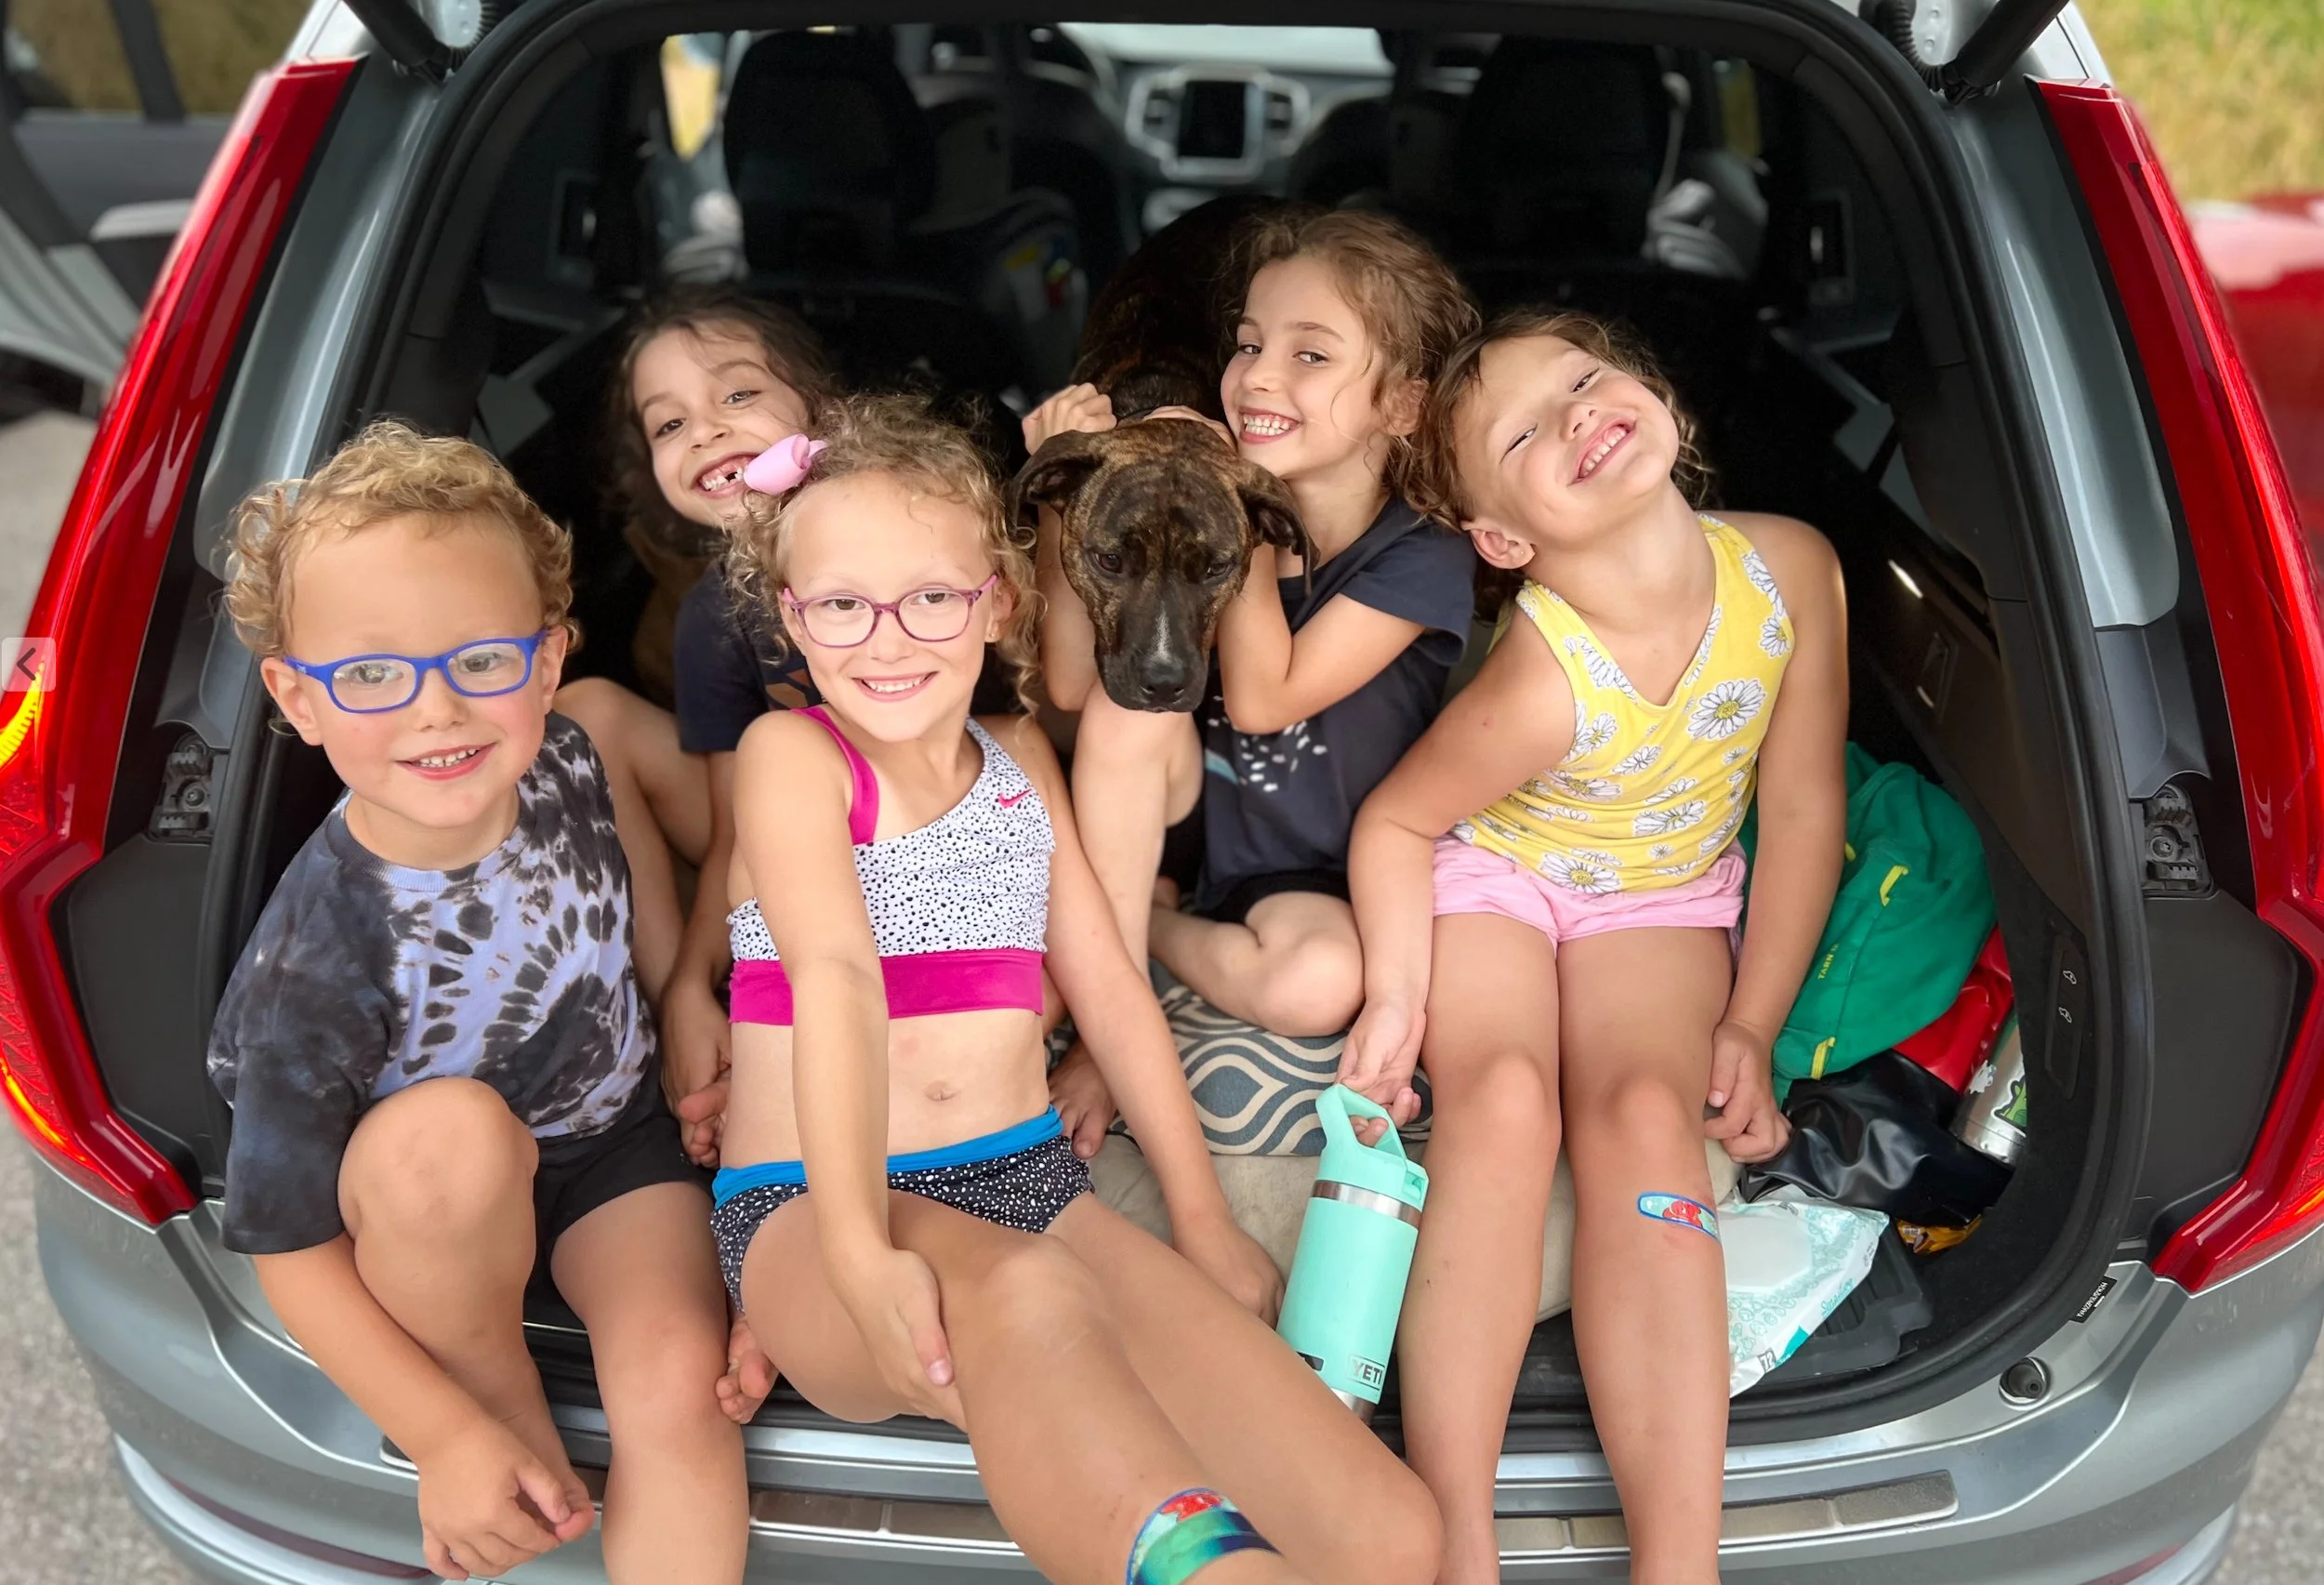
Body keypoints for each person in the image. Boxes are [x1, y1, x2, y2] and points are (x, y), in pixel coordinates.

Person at [711, 393, 1440, 1585]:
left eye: (931, 596)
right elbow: (838, 981)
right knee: (1039, 1301)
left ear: (1000, 596)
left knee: (1389, 1536)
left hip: (1033, 1187)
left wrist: (1202, 1221)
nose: (886, 639)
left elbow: (1109, 990)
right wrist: (855, 1254)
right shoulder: (793, 757)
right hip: (814, 1208)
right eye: (841, 605)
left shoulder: (1019, 764)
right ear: (792, 617)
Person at [1340, 311, 1848, 1585]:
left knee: (1643, 1119)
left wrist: (1753, 1024)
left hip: (1662, 896)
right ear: (1507, 542)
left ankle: (1681, 1563)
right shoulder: (1540, 683)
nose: (1576, 412)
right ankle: (1453, 1533)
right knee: (1504, 1107)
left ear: (1653, 393)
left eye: (1583, 377)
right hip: (1498, 879)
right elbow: (1399, 818)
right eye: (1524, 430)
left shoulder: (1791, 571)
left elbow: (1797, 808)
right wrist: (1398, 999)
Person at [207, 422, 746, 1584]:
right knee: (445, 1138)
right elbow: (289, 1253)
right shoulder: (315, 958)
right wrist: (443, 1431)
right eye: (371, 674)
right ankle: (499, 1424)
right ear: (298, 699)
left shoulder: (574, 750)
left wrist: (695, 999)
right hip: (430, 1224)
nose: (437, 709)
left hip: (613, 1151)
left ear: (543, 663)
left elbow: (690, 866)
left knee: (681, 1394)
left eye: (481, 660)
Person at [1027, 206, 1478, 1148]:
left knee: (1319, 985)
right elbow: (1069, 684)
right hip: (1201, 827)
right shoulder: (1198, 499)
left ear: (1400, 406)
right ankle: (1112, 1027)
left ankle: (1130, 939)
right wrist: (1060, 490)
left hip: (1316, 867)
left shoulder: (1419, 557)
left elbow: (1268, 696)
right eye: (1246, 345)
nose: (1258, 377)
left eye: (1310, 356)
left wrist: (1234, 501)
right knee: (1122, 716)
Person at [554, 286, 838, 1171]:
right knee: (589, 710)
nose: (707, 431)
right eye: (668, 425)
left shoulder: (916, 542)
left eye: (739, 395)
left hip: (933, 827)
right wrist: (686, 991)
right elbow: (732, 834)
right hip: (788, 841)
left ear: (821, 416)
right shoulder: (716, 612)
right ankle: (701, 1036)